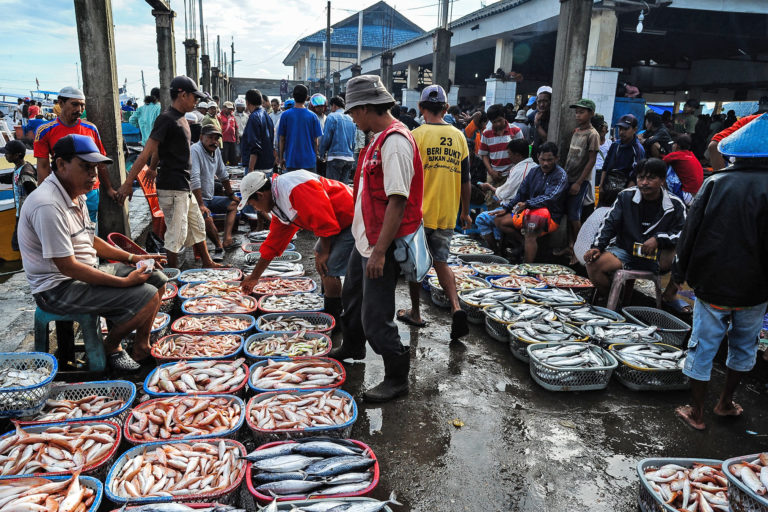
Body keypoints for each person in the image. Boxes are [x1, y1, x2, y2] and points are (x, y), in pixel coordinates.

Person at [18, 134, 167, 371]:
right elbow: (68, 267)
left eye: (95, 168)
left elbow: (90, 239)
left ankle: (141, 347)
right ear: (61, 165)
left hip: (84, 272)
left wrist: (134, 258)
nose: (94, 175)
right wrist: (123, 283)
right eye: (86, 167)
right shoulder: (47, 204)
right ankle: (107, 346)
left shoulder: (75, 195)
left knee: (157, 278)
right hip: (57, 288)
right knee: (146, 295)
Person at [329, 75, 424, 403]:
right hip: (365, 237)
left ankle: (397, 377)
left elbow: (398, 200)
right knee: (352, 296)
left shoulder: (395, 141)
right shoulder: (377, 138)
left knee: (376, 315)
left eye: (355, 112)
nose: (353, 118)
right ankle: (353, 346)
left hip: (381, 243)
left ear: (368, 108)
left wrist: (381, 252)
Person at [670, 115, 768, 430]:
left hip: (712, 283)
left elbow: (690, 233)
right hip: (756, 289)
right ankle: (725, 402)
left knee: (703, 345)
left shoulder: (715, 182)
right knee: (744, 345)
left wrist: (679, 273)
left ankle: (696, 413)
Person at [116, 75, 220, 270]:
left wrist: (154, 167)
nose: (196, 101)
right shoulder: (166, 119)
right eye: (193, 96)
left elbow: (159, 150)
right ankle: (171, 273)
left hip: (183, 184)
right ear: (182, 95)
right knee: (176, 233)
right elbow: (147, 151)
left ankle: (207, 261)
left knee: (197, 225)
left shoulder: (182, 119)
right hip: (173, 186)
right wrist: (128, 182)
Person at [396, 85, 471, 339]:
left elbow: (405, 176)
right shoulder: (459, 137)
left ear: (420, 108)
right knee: (440, 262)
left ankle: (416, 312)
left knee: (416, 265)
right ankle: (456, 307)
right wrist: (465, 211)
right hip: (448, 212)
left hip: (419, 213)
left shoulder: (415, 135)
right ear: (446, 108)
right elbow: (466, 180)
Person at [238, 169, 355, 325]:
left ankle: (335, 322)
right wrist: (254, 277)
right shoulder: (278, 203)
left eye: (253, 205)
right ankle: (330, 305)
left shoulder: (294, 187)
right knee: (320, 257)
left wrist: (325, 252)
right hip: (336, 221)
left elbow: (323, 218)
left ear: (260, 195)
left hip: (351, 217)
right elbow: (273, 244)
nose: (256, 209)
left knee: (328, 267)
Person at [584, 158, 686, 296]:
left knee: (685, 254)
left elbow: (682, 233)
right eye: (641, 178)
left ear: (662, 180)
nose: (644, 183)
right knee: (593, 265)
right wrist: (597, 247)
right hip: (625, 250)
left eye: (651, 178)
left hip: (658, 256)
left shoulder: (675, 204)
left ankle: (668, 297)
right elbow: (610, 223)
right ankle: (612, 299)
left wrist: (658, 239)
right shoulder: (625, 196)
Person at [34, 86, 117, 222]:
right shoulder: (45, 131)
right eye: (75, 104)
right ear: (61, 103)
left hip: (89, 190)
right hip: (62, 190)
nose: (79, 109)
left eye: (82, 105)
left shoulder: (91, 128)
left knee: (88, 230)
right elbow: (43, 167)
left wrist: (108, 188)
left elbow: (100, 161)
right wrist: (44, 195)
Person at [493, 142, 568, 263]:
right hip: (529, 210)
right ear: (538, 156)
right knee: (499, 220)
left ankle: (527, 267)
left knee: (530, 230)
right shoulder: (534, 172)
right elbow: (521, 193)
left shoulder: (560, 175)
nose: (545, 163)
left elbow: (550, 197)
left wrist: (527, 204)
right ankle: (523, 244)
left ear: (556, 158)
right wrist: (507, 208)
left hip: (550, 215)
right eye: (543, 159)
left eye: (550, 160)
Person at [190, 124, 239, 262]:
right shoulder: (195, 150)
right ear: (201, 137)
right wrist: (200, 204)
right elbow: (194, 178)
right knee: (205, 215)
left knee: (233, 205)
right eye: (210, 138)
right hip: (194, 199)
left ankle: (227, 239)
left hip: (209, 197)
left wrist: (231, 195)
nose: (214, 141)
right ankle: (218, 247)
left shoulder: (216, 150)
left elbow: (222, 173)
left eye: (216, 138)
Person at [559, 98, 600, 264]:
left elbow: (591, 161)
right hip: (568, 177)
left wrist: (578, 182)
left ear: (590, 113)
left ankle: (578, 250)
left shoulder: (593, 134)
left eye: (582, 112)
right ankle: (570, 246)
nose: (578, 114)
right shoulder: (577, 132)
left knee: (575, 217)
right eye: (577, 111)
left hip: (579, 181)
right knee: (569, 215)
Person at [475, 138, 534, 253]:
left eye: (510, 154)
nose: (508, 156)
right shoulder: (533, 166)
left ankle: (496, 250)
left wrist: (489, 187)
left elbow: (505, 193)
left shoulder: (519, 170)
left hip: (518, 208)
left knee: (481, 218)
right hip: (516, 205)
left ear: (517, 155)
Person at [478, 103, 524, 204]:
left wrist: (513, 172)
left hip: (511, 174)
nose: (498, 124)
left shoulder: (516, 131)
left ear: (504, 117)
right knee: (491, 202)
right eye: (494, 122)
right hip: (493, 173)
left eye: (499, 120)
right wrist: (491, 171)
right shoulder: (486, 133)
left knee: (509, 202)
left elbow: (522, 155)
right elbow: (484, 154)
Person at [278, 85, 323, 173]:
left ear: (293, 97)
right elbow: (315, 141)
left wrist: (281, 158)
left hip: (291, 160)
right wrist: (315, 156)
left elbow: (282, 139)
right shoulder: (313, 116)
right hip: (309, 162)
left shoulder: (285, 115)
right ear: (306, 98)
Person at [1, 140, 37, 251]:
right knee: (18, 244)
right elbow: (11, 177)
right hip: (20, 214)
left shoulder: (25, 174)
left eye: (7, 153)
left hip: (27, 215)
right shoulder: (19, 168)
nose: (5, 155)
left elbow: (34, 195)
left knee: (18, 244)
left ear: (17, 155)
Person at [599, 114, 645, 194]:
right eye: (620, 128)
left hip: (625, 191)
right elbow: (605, 166)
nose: (621, 132)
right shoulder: (615, 145)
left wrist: (625, 194)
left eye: (626, 129)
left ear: (635, 130)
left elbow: (636, 174)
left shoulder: (638, 150)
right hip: (608, 188)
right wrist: (601, 186)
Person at [319, 96, 357, 183]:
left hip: (335, 157)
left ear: (334, 106)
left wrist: (321, 154)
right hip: (349, 158)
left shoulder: (332, 117)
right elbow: (354, 141)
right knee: (343, 189)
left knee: (333, 188)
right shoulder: (351, 119)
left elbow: (326, 138)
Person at [240, 89, 275, 174]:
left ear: (247, 102)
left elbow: (254, 147)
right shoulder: (266, 115)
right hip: (267, 165)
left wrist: (250, 170)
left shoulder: (254, 117)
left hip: (257, 168)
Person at [663, 133, 703, 198]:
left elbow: (660, 163)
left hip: (687, 194)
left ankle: (666, 194)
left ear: (677, 146)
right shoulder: (691, 154)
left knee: (665, 168)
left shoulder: (675, 155)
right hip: (697, 194)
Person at [527, 85, 552, 156]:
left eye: (545, 101)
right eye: (539, 101)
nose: (542, 104)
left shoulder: (553, 119)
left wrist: (537, 125)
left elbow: (548, 141)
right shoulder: (532, 116)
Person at [219, 101, 238, 165]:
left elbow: (236, 127)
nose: (230, 110)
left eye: (231, 109)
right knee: (224, 157)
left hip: (232, 140)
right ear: (224, 108)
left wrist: (237, 138)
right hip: (223, 140)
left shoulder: (232, 117)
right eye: (228, 109)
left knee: (233, 158)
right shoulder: (219, 116)